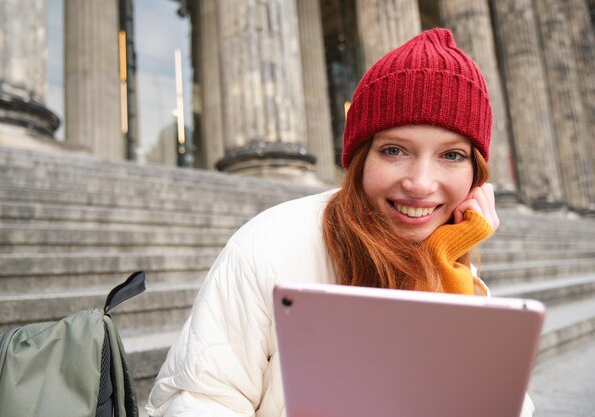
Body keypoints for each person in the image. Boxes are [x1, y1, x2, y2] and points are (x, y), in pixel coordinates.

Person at [146, 28, 534, 417]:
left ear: (476, 175)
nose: (420, 183)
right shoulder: (268, 245)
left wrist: (446, 263)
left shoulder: (448, 257)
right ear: (360, 157)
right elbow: (199, 401)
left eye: (451, 156)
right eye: (394, 150)